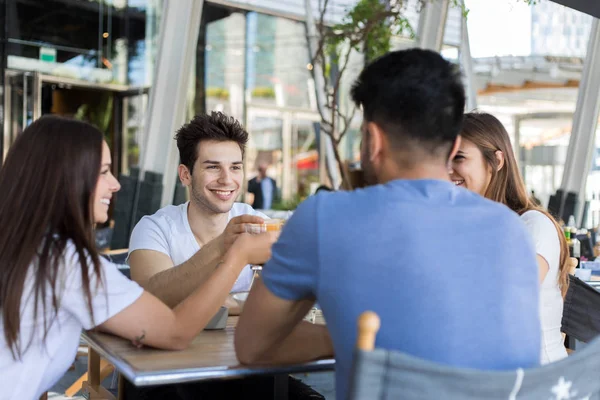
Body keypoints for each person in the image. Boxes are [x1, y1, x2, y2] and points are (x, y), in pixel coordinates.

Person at [235, 49, 542, 400]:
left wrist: (355, 339)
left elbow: (253, 346)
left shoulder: (325, 218)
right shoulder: (511, 229)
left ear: (373, 139)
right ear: (454, 143)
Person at [0, 116, 275, 399]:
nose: (116, 184)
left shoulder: (24, 248)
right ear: (66, 179)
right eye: (104, 171)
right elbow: (174, 332)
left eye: (235, 167)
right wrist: (234, 253)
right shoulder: (68, 263)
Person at [450, 111, 569, 364]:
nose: (447, 170)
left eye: (458, 158)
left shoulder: (533, 226)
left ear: (497, 160)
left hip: (536, 382)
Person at [129, 112, 268, 314]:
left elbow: (287, 292)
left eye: (235, 167)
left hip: (242, 343)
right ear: (186, 175)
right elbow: (151, 297)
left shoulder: (255, 222)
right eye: (213, 167)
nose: (227, 179)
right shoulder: (154, 229)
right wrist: (222, 245)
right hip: (175, 344)